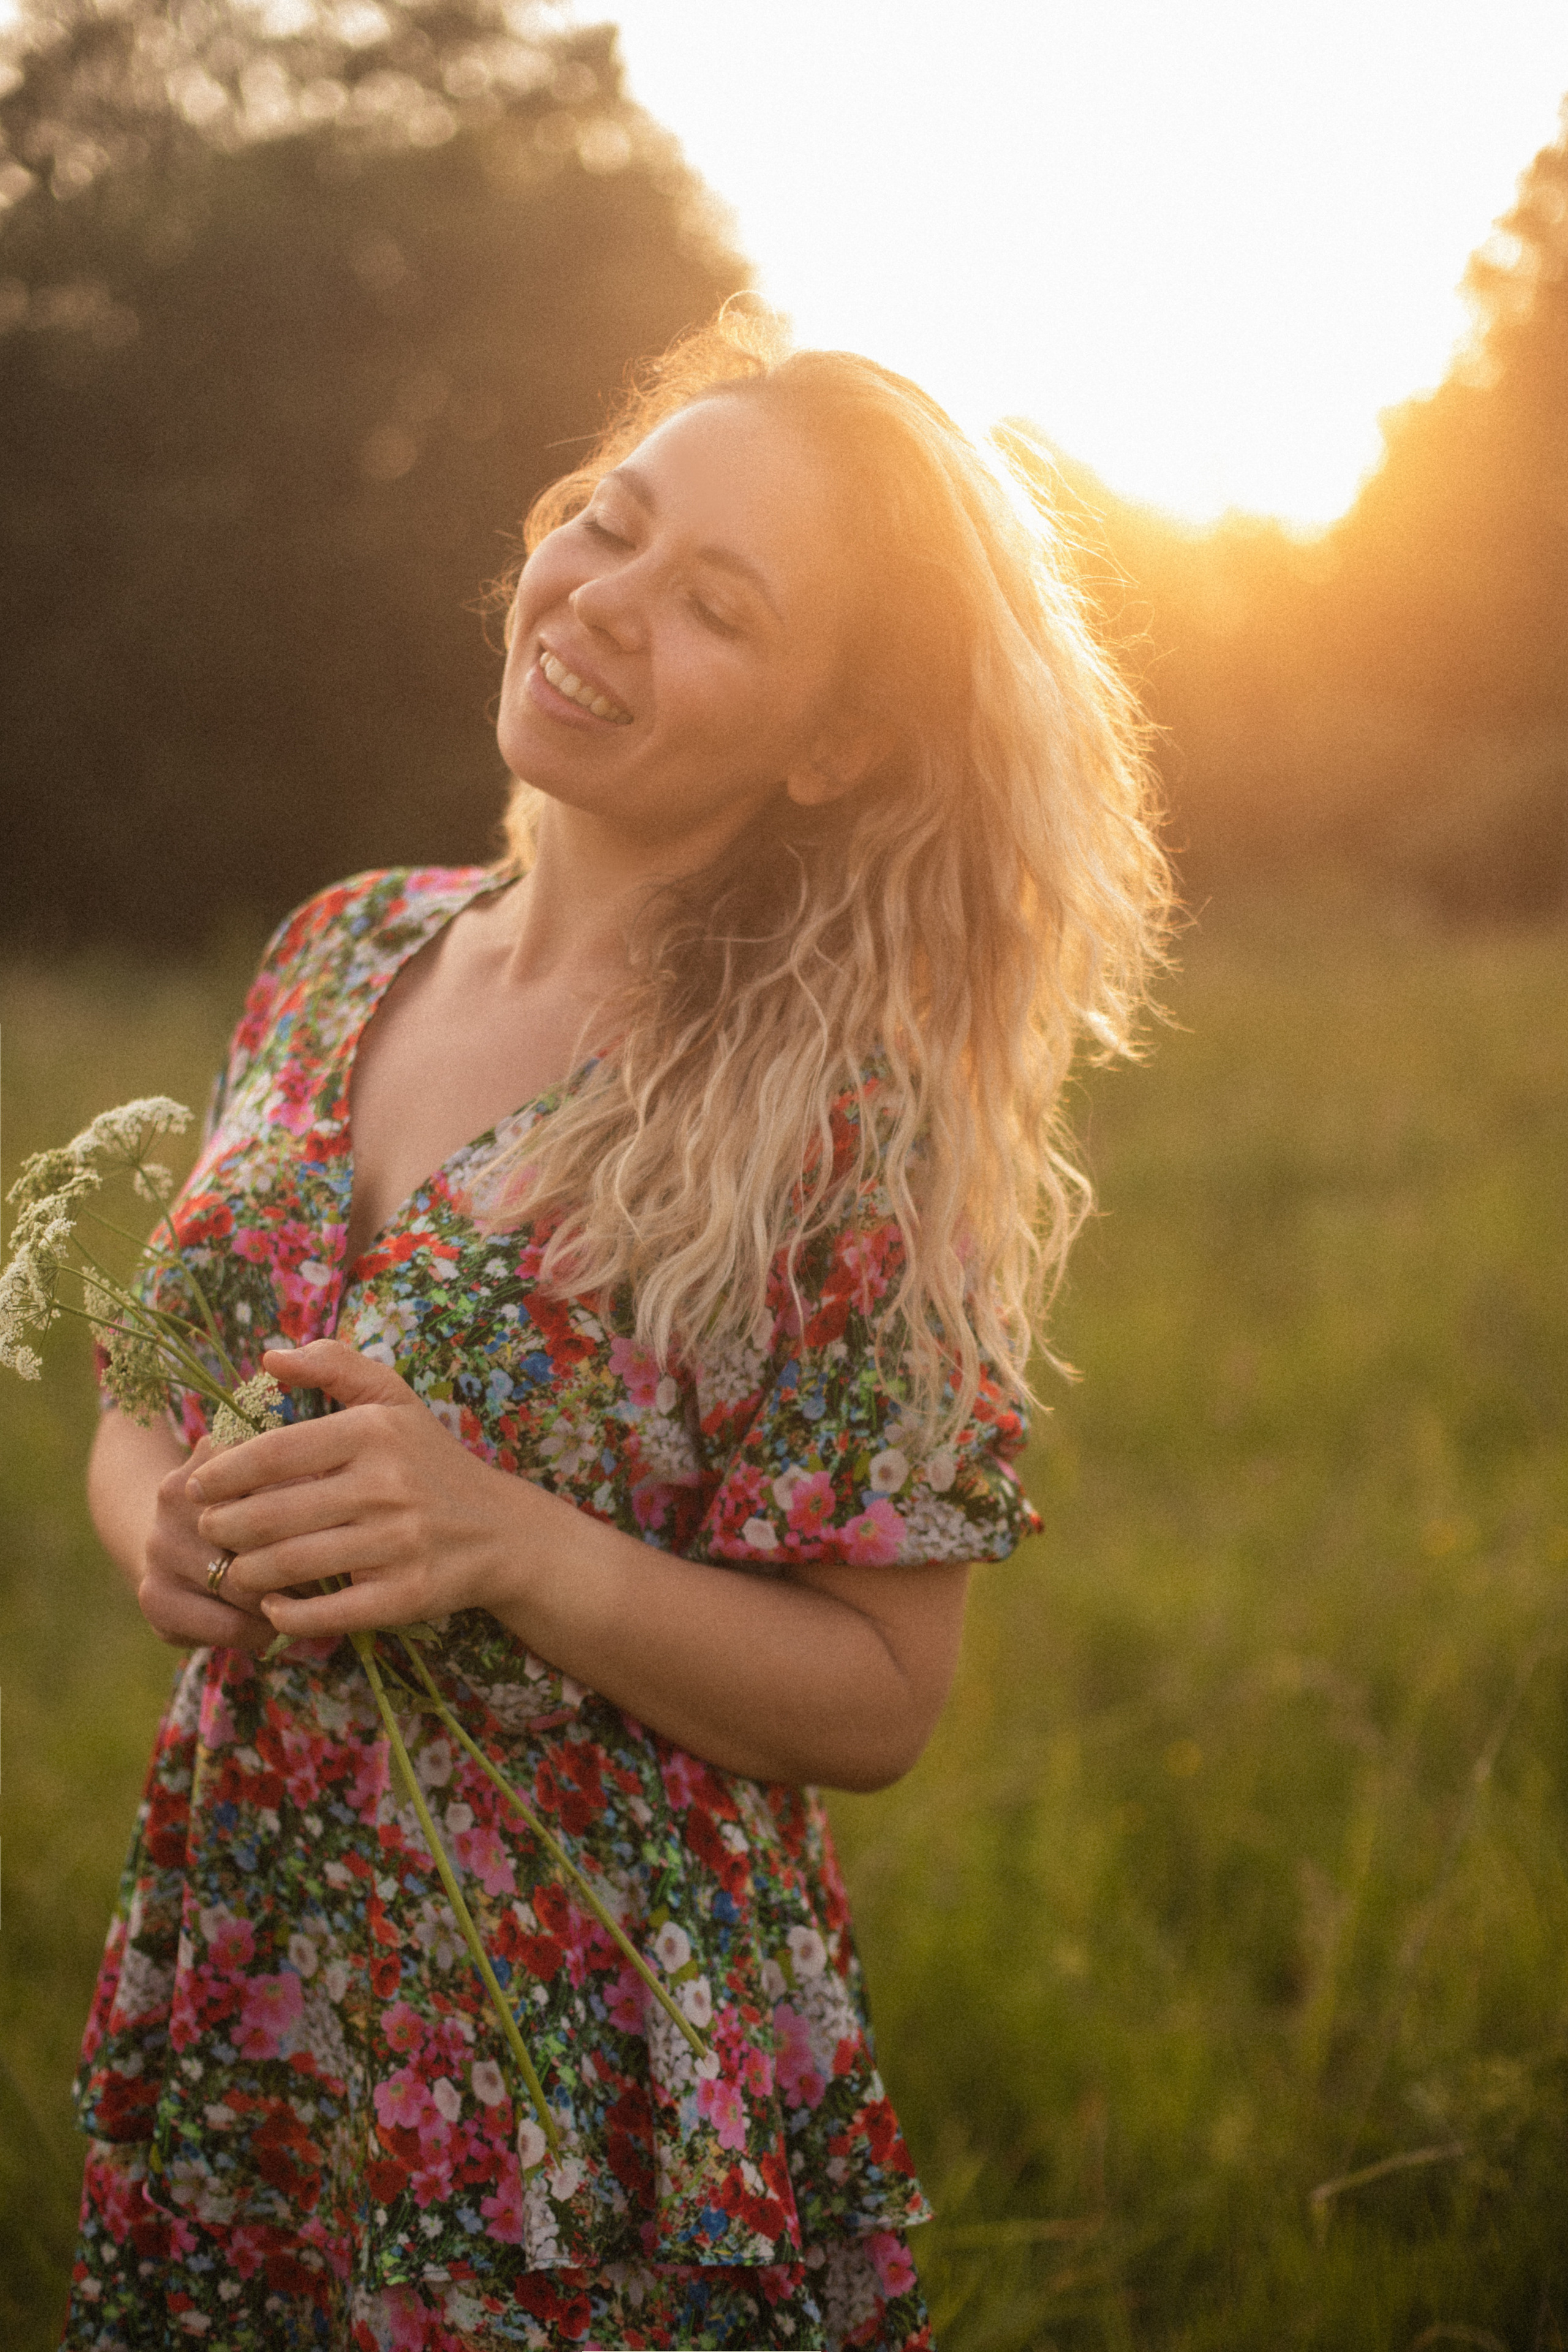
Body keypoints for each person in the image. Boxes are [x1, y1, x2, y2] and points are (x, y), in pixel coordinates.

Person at [62, 308, 1167, 2351]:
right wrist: (162, 1526)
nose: (606, 601)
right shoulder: (337, 950)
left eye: (718, 604)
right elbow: (153, 1395)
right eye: (613, 523)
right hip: (255, 1982)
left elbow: (877, 1698)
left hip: (579, 2059)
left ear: (829, 744)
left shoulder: (841, 1117)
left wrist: (512, 1544)